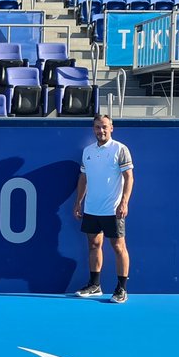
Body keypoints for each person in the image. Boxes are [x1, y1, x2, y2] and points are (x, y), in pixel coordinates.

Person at [73, 115, 134, 304]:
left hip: (113, 209)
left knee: (118, 246)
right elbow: (83, 178)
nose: (101, 131)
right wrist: (78, 202)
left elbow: (129, 177)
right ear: (93, 129)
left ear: (112, 128)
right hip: (92, 208)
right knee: (93, 245)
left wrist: (124, 202)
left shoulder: (120, 149)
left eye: (105, 127)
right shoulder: (87, 151)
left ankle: (121, 288)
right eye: (98, 127)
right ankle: (95, 285)